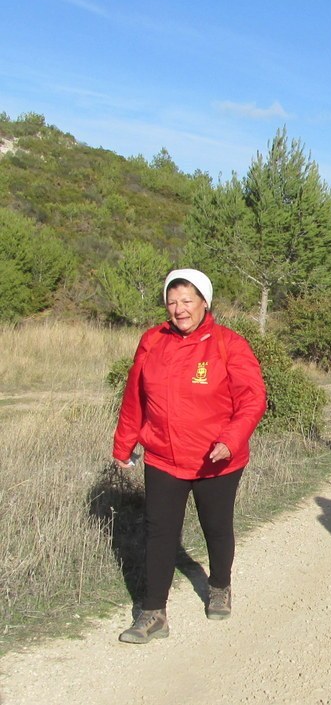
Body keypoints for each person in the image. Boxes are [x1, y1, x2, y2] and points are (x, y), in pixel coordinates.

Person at [112, 269, 267, 644]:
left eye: (187, 300)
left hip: (217, 459)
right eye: (172, 300)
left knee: (216, 527)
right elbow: (135, 396)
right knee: (159, 531)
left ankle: (219, 586)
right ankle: (152, 613)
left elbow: (252, 398)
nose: (179, 309)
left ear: (204, 303)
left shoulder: (229, 344)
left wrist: (230, 440)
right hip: (164, 455)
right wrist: (124, 443)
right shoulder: (152, 340)